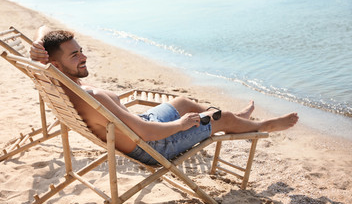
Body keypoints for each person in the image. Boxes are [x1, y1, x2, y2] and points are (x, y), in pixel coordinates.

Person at [30, 26, 299, 165]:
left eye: (81, 50)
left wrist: (38, 45)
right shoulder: (92, 96)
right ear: (55, 63)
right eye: (75, 54)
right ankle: (263, 125)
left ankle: (240, 120)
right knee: (220, 118)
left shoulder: (52, 77)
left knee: (182, 102)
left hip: (136, 126)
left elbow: (42, 28)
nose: (84, 57)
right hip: (152, 147)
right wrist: (181, 126)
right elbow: (146, 134)